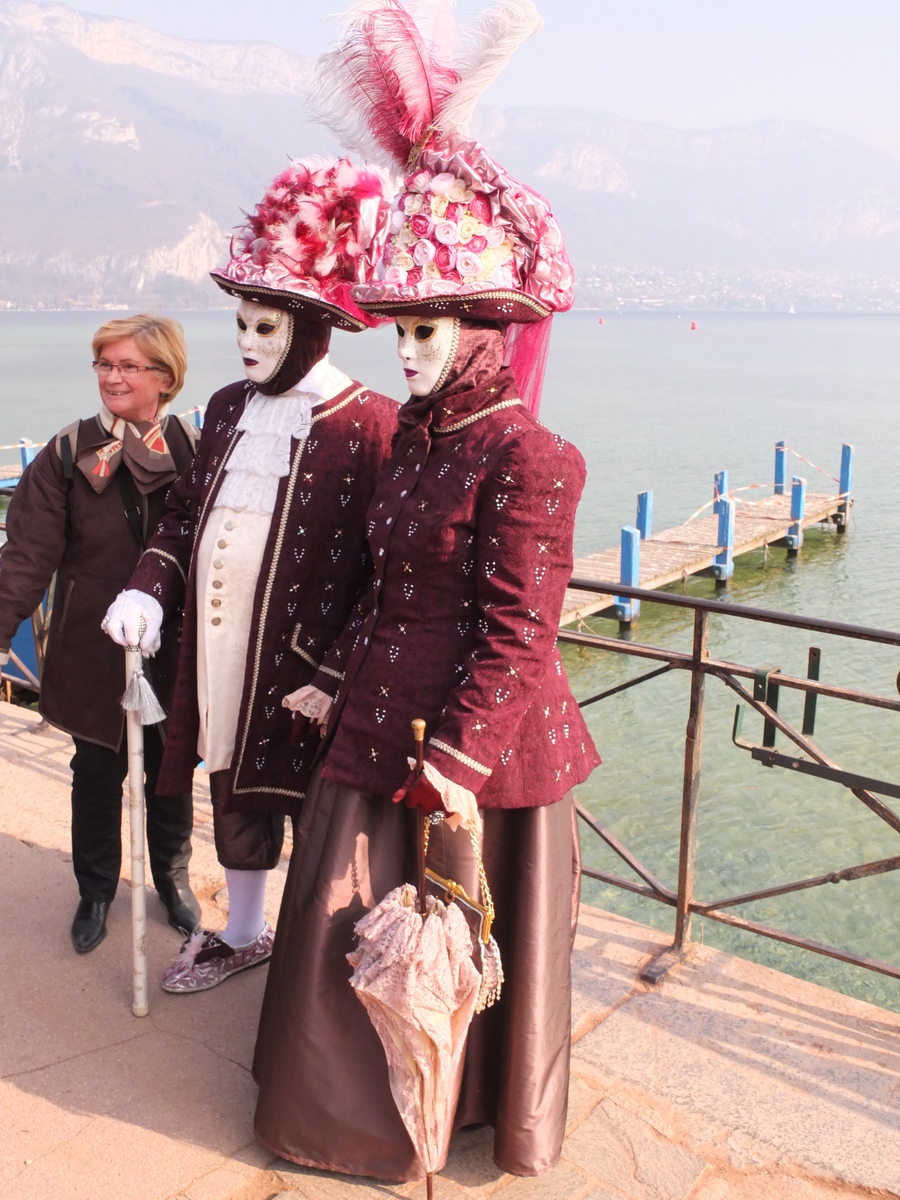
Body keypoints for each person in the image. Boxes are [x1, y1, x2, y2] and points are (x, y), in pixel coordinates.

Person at [252, 3, 600, 1183]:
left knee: (454, 939)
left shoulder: (531, 457)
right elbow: (388, 575)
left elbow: (518, 628)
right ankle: (347, 1116)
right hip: (376, 718)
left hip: (479, 753)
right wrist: (329, 670)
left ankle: (460, 1113)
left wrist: (455, 756)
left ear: (484, 333)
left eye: (427, 332)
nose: (404, 354)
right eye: (397, 332)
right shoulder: (412, 437)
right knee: (347, 926)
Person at [104, 157, 398, 993]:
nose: (246, 344)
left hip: (304, 665)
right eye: (241, 324)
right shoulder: (229, 407)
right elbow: (185, 514)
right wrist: (147, 589)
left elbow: (387, 572)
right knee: (232, 786)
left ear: (313, 329)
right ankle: (242, 929)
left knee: (319, 812)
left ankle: (317, 959)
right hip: (219, 648)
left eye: (266, 329)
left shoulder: (372, 426)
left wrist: (336, 667)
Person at [0, 314, 201, 953]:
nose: (112, 377)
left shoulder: (199, 449)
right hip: (92, 645)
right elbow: (27, 554)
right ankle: (95, 891)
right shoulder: (67, 451)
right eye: (104, 365)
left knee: (172, 767)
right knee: (95, 769)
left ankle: (172, 878)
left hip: (175, 645)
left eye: (127, 366)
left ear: (164, 378)